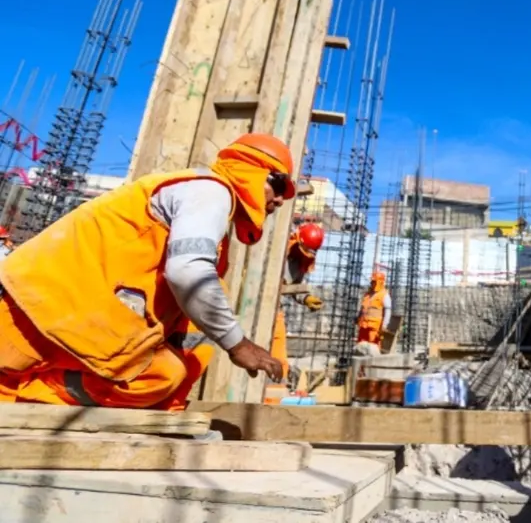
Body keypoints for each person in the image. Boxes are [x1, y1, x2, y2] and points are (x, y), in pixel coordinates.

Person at [0, 133, 294, 409]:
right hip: (34, 311)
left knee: (162, 375)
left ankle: (29, 394)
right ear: (250, 169)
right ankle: (23, 392)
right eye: (279, 186)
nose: (281, 200)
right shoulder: (210, 191)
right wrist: (238, 344)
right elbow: (189, 272)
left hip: (76, 325)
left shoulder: (210, 209)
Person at [270, 222, 325, 381]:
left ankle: (278, 383)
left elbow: (295, 285)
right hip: (257, 304)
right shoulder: (278, 247)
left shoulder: (301, 260)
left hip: (276, 308)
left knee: (278, 350)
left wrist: (306, 298)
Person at [354, 272, 392, 356]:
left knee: (373, 347)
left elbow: (388, 311)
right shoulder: (367, 294)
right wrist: (358, 317)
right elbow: (363, 308)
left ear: (380, 282)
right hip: (363, 325)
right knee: (360, 345)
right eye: (372, 281)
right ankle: (360, 363)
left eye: (374, 281)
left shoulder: (384, 295)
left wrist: (384, 325)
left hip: (375, 327)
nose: (372, 283)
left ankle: (373, 363)